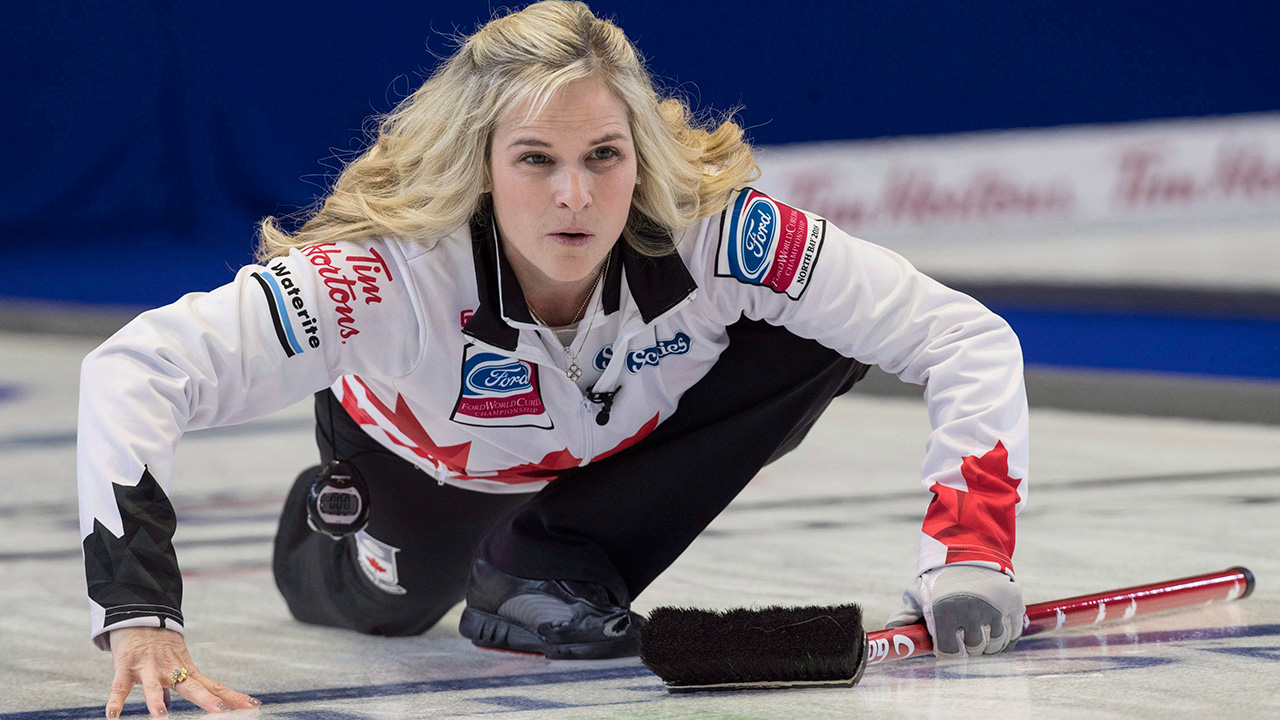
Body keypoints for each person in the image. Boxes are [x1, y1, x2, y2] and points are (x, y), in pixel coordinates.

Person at [77, 1, 1030, 716]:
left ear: (639, 155)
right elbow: (137, 368)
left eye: (604, 156)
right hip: (425, 468)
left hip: (614, 448)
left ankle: (552, 563)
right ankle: (325, 529)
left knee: (819, 332)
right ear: (480, 164)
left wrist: (972, 553)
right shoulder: (386, 276)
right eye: (535, 159)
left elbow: (960, 333)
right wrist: (141, 611)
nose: (575, 197)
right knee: (382, 610)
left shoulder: (721, 236)